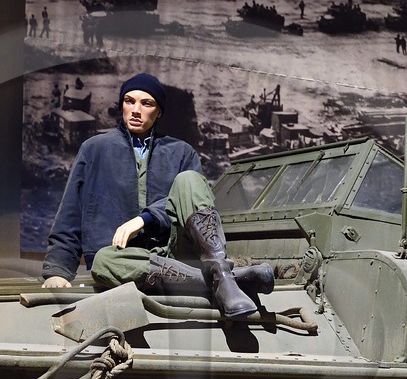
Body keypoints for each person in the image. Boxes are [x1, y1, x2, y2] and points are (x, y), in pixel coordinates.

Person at [39, 71, 271, 317]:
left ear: (159, 111)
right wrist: (57, 270)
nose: (136, 110)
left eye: (146, 103)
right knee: (104, 260)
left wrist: (146, 218)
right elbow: (70, 214)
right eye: (129, 101)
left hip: (176, 251)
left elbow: (195, 200)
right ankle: (225, 280)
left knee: (190, 180)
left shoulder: (182, 152)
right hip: (126, 261)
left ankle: (219, 272)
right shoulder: (94, 149)